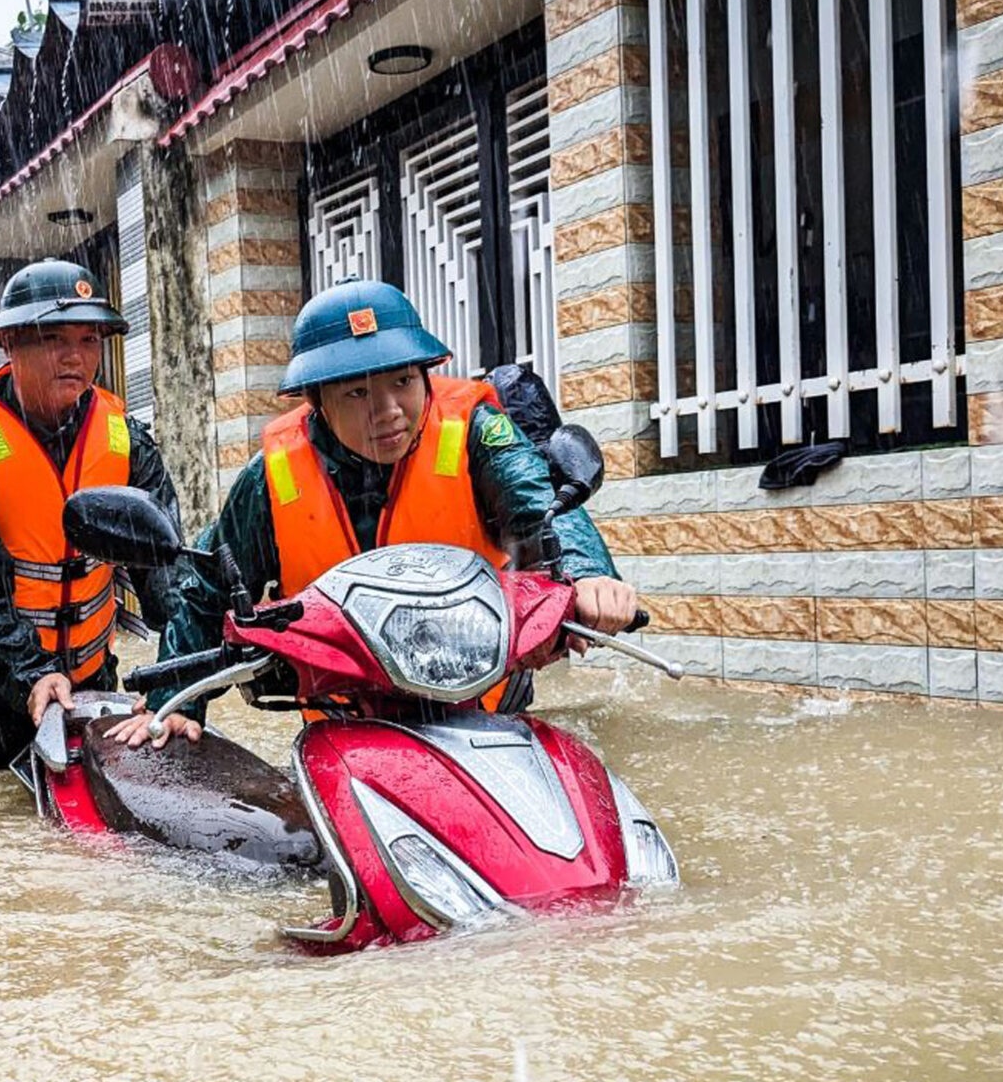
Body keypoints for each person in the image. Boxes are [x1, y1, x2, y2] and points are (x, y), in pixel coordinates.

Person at [114, 277, 640, 748]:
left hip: (484, 704)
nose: (388, 410)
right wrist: (175, 701)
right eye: (359, 391)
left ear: (424, 376)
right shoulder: (272, 477)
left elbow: (539, 502)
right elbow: (209, 589)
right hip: (344, 722)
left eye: (403, 382)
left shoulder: (477, 431)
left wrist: (589, 574)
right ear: (317, 400)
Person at [0, 258, 181, 772]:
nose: (74, 356)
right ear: (9, 344)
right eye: (53, 337)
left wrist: (180, 679)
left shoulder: (125, 439)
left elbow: (166, 570)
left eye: (90, 339)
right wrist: (31, 673)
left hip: (89, 685)